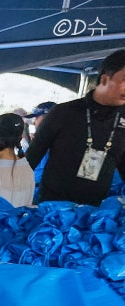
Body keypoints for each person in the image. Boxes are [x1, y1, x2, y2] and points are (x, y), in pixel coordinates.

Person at [26, 50, 125, 206]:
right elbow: (31, 158)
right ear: (105, 79)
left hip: (95, 215)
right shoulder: (63, 112)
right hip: (54, 211)